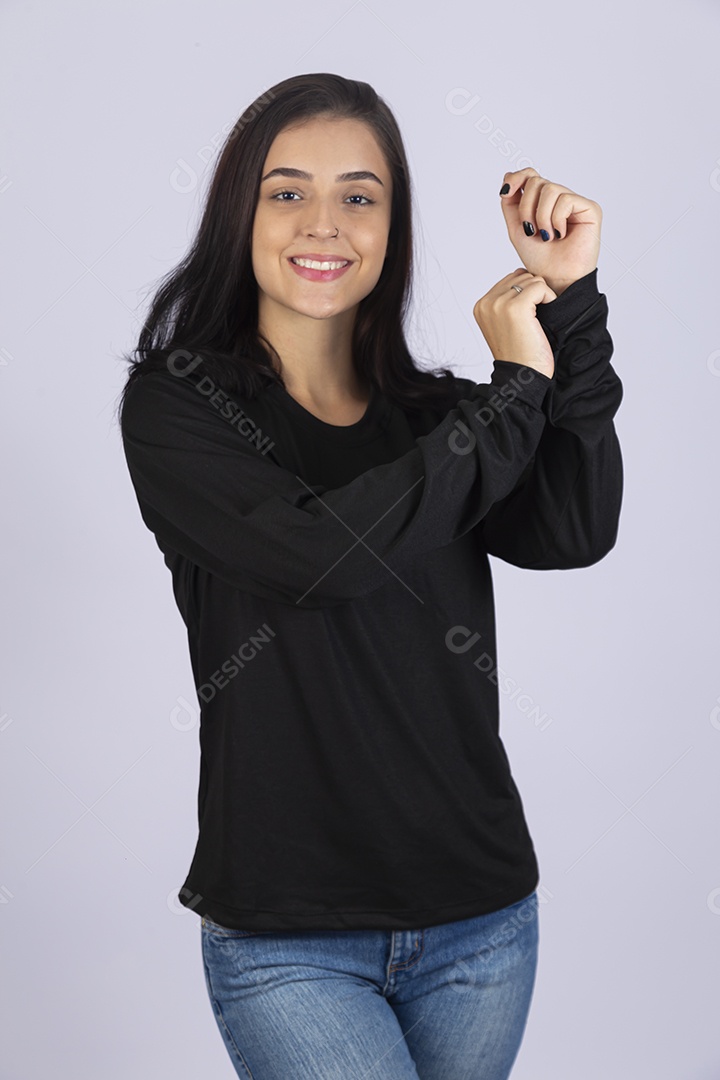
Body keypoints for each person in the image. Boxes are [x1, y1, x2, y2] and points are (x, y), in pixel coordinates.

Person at [117, 72, 622, 1079]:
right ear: (240, 213)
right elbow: (322, 556)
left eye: (360, 196)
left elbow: (571, 528)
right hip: (288, 935)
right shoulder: (181, 408)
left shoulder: (442, 420)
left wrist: (570, 310)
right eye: (287, 190)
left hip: (481, 920)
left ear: (392, 227)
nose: (325, 223)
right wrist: (515, 391)